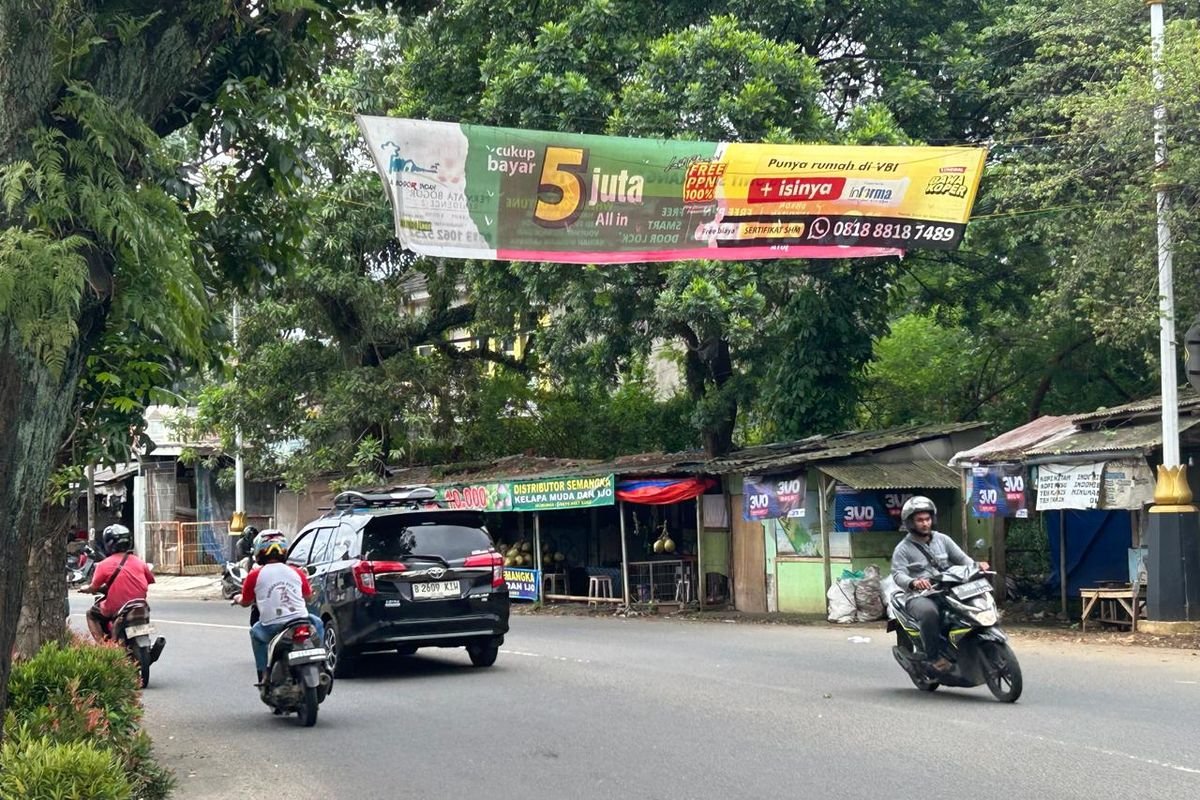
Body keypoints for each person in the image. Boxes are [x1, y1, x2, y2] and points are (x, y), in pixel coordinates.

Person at [889, 496, 988, 672]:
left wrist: (976, 565)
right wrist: (914, 582)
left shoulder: (943, 539)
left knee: (970, 606)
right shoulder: (902, 548)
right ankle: (933, 657)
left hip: (947, 589)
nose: (925, 523)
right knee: (929, 613)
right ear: (911, 522)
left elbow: (962, 559)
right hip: (919, 596)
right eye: (919, 520)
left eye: (927, 519)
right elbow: (898, 574)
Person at [237, 530, 325, 685]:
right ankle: (322, 662)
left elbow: (246, 602)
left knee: (255, 633)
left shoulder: (254, 575)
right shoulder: (296, 572)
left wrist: (237, 598)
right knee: (317, 622)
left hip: (272, 626)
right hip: (301, 620)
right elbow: (309, 597)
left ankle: (264, 674)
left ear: (259, 552)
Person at [82, 524, 164, 664]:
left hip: (116, 608)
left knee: (91, 614)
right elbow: (149, 580)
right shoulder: (139, 562)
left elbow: (94, 587)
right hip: (140, 607)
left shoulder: (103, 565)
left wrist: (87, 589)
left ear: (109, 544)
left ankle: (104, 647)